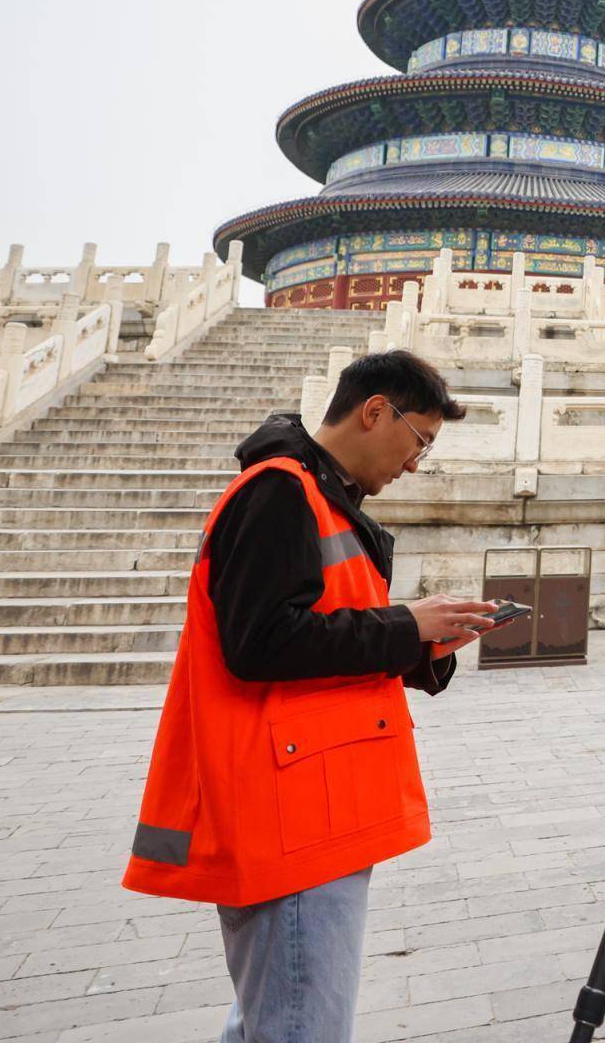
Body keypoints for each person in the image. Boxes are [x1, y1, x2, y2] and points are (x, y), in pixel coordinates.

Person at [122, 349, 502, 1043]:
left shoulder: (322, 500)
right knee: (299, 1025)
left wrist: (422, 645)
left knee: (274, 1016)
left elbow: (324, 635)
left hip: (315, 800)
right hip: (286, 812)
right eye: (418, 440)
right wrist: (402, 623)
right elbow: (260, 643)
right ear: (374, 411)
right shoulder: (279, 493)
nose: (416, 463)